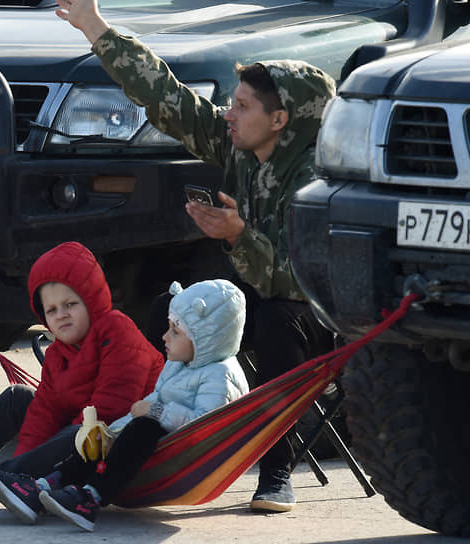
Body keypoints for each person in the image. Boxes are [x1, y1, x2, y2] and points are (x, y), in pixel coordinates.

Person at [54, 0, 337, 513]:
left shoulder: (319, 180)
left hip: (309, 312)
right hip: (248, 295)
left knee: (276, 324)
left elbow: (292, 280)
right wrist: (95, 27)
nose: (229, 113)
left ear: (280, 119)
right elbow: (166, 97)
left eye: (243, 106)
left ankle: (275, 473)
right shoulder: (238, 146)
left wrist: (237, 236)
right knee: (168, 308)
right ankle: (125, 435)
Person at [0, 241, 165, 519]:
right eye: (52, 310)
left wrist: (36, 470)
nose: (62, 315)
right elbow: (43, 415)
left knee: (82, 430)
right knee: (19, 398)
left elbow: (112, 408)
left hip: (120, 446)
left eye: (71, 304)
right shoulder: (59, 352)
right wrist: (27, 468)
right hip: (80, 443)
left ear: (92, 300)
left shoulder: (117, 330)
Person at [0, 279, 249, 530]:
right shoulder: (180, 364)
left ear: (206, 340)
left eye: (175, 331)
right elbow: (158, 397)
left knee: (142, 428)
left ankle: (90, 499)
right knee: (99, 441)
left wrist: (154, 412)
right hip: (151, 442)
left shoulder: (220, 376)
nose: (165, 337)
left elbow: (208, 428)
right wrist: (114, 429)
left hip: (178, 453)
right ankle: (45, 486)